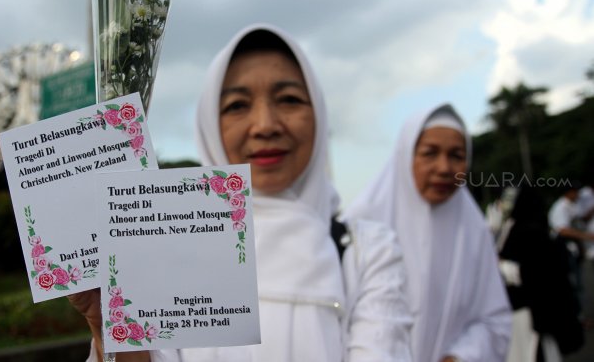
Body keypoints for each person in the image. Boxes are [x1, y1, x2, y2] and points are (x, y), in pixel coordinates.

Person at [70, 23, 411, 361]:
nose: (265, 125)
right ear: (208, 124)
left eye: (289, 99)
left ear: (319, 114)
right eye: (237, 105)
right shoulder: (167, 246)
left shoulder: (367, 252)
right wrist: (110, 323)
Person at [341, 103, 512, 362]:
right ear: (405, 156)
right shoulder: (359, 225)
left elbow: (494, 320)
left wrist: (460, 357)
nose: (444, 168)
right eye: (429, 153)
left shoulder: (474, 230)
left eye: (456, 155)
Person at [497, 185, 583, 361]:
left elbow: (529, 272)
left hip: (524, 313)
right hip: (532, 314)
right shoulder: (530, 231)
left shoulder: (521, 231)